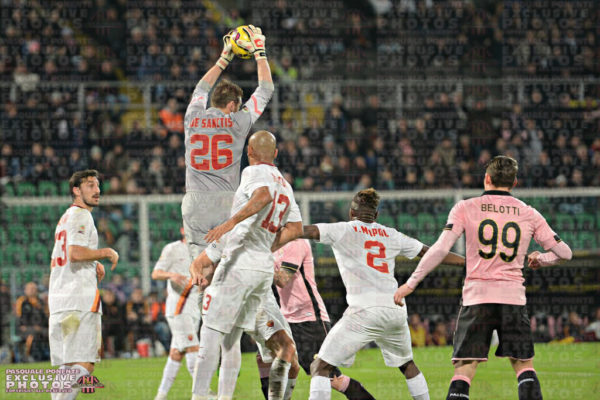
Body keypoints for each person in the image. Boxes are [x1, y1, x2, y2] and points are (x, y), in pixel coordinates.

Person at [395, 155, 573, 400]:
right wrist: (541, 259)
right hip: (513, 299)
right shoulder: (529, 213)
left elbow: (440, 249)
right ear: (514, 182)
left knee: (464, 370)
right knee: (524, 366)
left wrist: (410, 283)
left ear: (486, 178)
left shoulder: (465, 207)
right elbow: (565, 253)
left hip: (476, 298)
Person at [275, 188, 465, 400]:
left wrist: (267, 234)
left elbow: (302, 231)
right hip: (395, 308)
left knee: (320, 366)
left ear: (351, 212)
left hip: (364, 311)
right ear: (376, 215)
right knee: (407, 365)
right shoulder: (392, 234)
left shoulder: (342, 229)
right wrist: (467, 262)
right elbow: (432, 252)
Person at [189, 130, 303, 400]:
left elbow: (262, 196)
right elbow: (296, 228)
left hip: (239, 263)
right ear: (276, 153)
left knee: (211, 332)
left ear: (249, 152)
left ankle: (199, 396)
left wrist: (230, 223)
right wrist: (267, 245)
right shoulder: (286, 186)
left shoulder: (253, 172)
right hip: (262, 268)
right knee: (232, 338)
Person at [182, 24, 273, 261]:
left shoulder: (192, 117)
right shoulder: (238, 122)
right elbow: (265, 90)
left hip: (194, 200)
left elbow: (200, 89)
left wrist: (223, 59)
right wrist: (260, 52)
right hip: (226, 200)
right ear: (232, 105)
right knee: (228, 266)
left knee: (199, 269)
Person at [257, 239, 376, 400]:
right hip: (284, 318)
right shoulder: (272, 244)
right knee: (265, 359)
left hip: (308, 320)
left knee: (331, 377)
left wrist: (259, 262)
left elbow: (282, 279)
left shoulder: (296, 242)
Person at [48, 169, 119, 400]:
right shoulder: (82, 216)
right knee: (85, 364)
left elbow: (65, 255)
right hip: (79, 300)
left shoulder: (65, 217)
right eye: (90, 185)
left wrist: (94, 262)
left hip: (60, 298)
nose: (97, 190)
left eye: (97, 185)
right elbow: (75, 253)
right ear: (76, 191)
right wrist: (105, 252)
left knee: (68, 364)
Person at [152, 227, 201, 400]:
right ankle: (201, 394)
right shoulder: (172, 248)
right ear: (182, 229)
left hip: (194, 308)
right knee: (193, 347)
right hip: (179, 308)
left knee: (176, 354)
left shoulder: (203, 250)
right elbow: (156, 273)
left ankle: (161, 395)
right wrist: (171, 275)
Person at [16, 282, 48, 361]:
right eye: (30, 289)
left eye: (34, 289)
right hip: (26, 328)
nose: (32, 290)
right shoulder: (22, 301)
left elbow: (46, 316)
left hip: (41, 328)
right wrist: (31, 327)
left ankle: (51, 357)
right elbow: (19, 317)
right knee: (33, 335)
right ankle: (31, 357)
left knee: (52, 333)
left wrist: (41, 326)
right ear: (25, 290)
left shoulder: (41, 302)